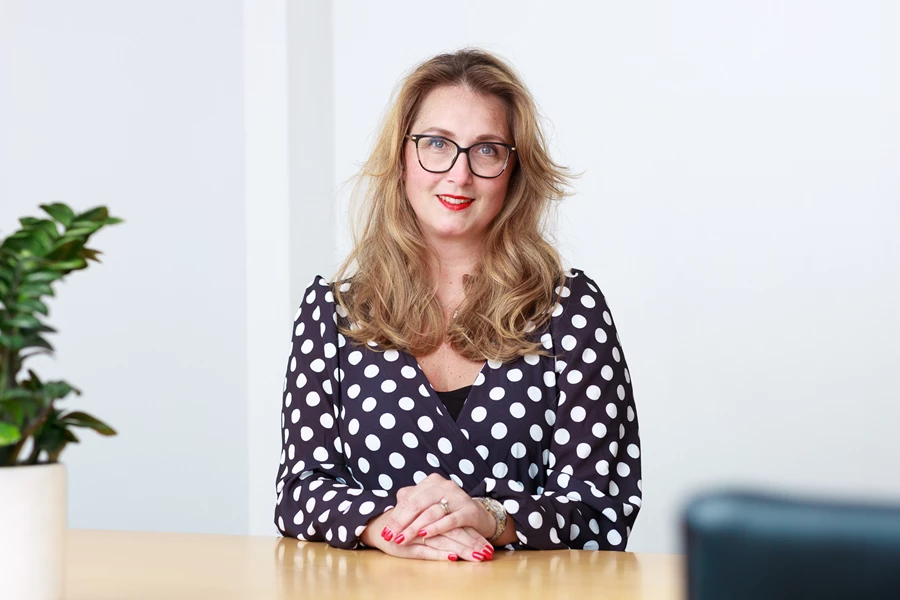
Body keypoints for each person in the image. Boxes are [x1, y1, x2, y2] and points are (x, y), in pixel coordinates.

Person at [274, 48, 641, 563]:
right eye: (437, 144)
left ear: (514, 170)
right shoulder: (333, 315)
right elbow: (300, 492)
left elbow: (603, 508)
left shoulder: (571, 311)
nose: (459, 174)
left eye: (486, 150)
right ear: (401, 156)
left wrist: (489, 516)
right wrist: (388, 528)